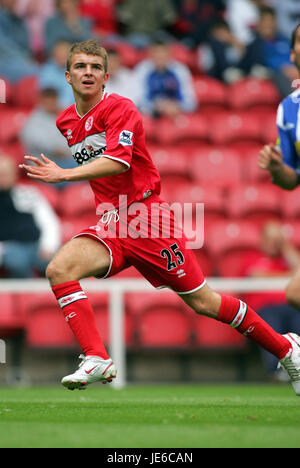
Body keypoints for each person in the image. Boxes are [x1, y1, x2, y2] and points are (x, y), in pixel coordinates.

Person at [20, 39, 300, 395]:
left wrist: (63, 174)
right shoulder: (66, 121)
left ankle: (286, 348)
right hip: (112, 221)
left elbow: (118, 162)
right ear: (67, 75)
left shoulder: (121, 108)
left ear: (106, 77)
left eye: (94, 67)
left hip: (148, 220)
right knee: (59, 270)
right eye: (80, 66)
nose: (87, 72)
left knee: (203, 302)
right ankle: (96, 357)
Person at [258, 22, 300, 309]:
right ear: (293, 54)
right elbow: (291, 179)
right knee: (295, 295)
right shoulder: (289, 109)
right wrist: (276, 167)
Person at [240, 221, 300, 379]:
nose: (274, 243)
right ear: (262, 239)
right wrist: (289, 275)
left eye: (277, 239)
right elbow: (257, 275)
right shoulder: (253, 256)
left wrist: (286, 247)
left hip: (289, 306)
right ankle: (276, 371)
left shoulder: (285, 258)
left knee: (297, 319)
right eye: (271, 239)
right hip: (265, 308)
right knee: (270, 323)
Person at [0, 154, 61, 278]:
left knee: (59, 263)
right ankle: (23, 297)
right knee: (17, 262)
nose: (3, 178)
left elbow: (49, 221)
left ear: (15, 175)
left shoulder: (29, 194)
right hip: (7, 248)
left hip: (36, 246)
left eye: (6, 174)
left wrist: (48, 245)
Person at [20, 87, 75, 182]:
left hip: (61, 164)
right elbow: (58, 152)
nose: (51, 104)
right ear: (40, 101)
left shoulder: (58, 114)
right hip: (44, 169)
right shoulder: (33, 122)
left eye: (53, 101)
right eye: (47, 101)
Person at [134, 37, 197, 117]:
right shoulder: (142, 69)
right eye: (157, 52)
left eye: (163, 52)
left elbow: (190, 101)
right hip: (150, 114)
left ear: (170, 53)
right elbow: (138, 99)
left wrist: (177, 106)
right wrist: (155, 106)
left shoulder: (180, 70)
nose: (160, 56)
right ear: (151, 53)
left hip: (177, 113)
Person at [39, 40, 75, 108]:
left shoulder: (76, 71)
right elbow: (46, 97)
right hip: (51, 110)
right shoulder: (46, 71)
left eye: (64, 54)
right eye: (59, 54)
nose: (62, 57)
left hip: (74, 111)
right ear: (54, 55)